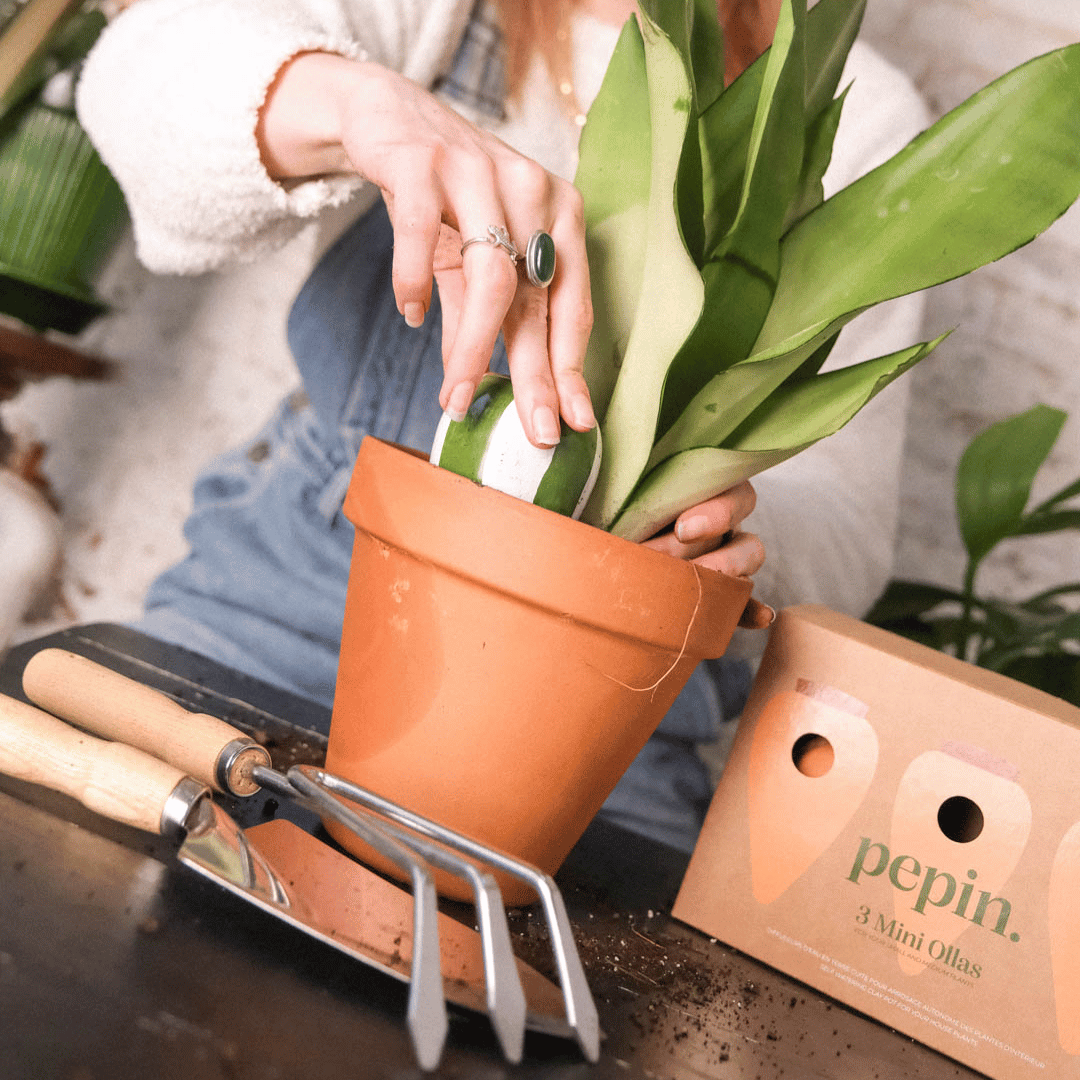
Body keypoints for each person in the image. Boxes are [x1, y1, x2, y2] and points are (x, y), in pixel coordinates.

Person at [74, 0, 928, 850]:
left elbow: (848, 525)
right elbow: (149, 69)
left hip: (600, 720)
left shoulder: (842, 99)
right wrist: (357, 107)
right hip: (286, 606)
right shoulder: (452, 15)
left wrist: (715, 524)